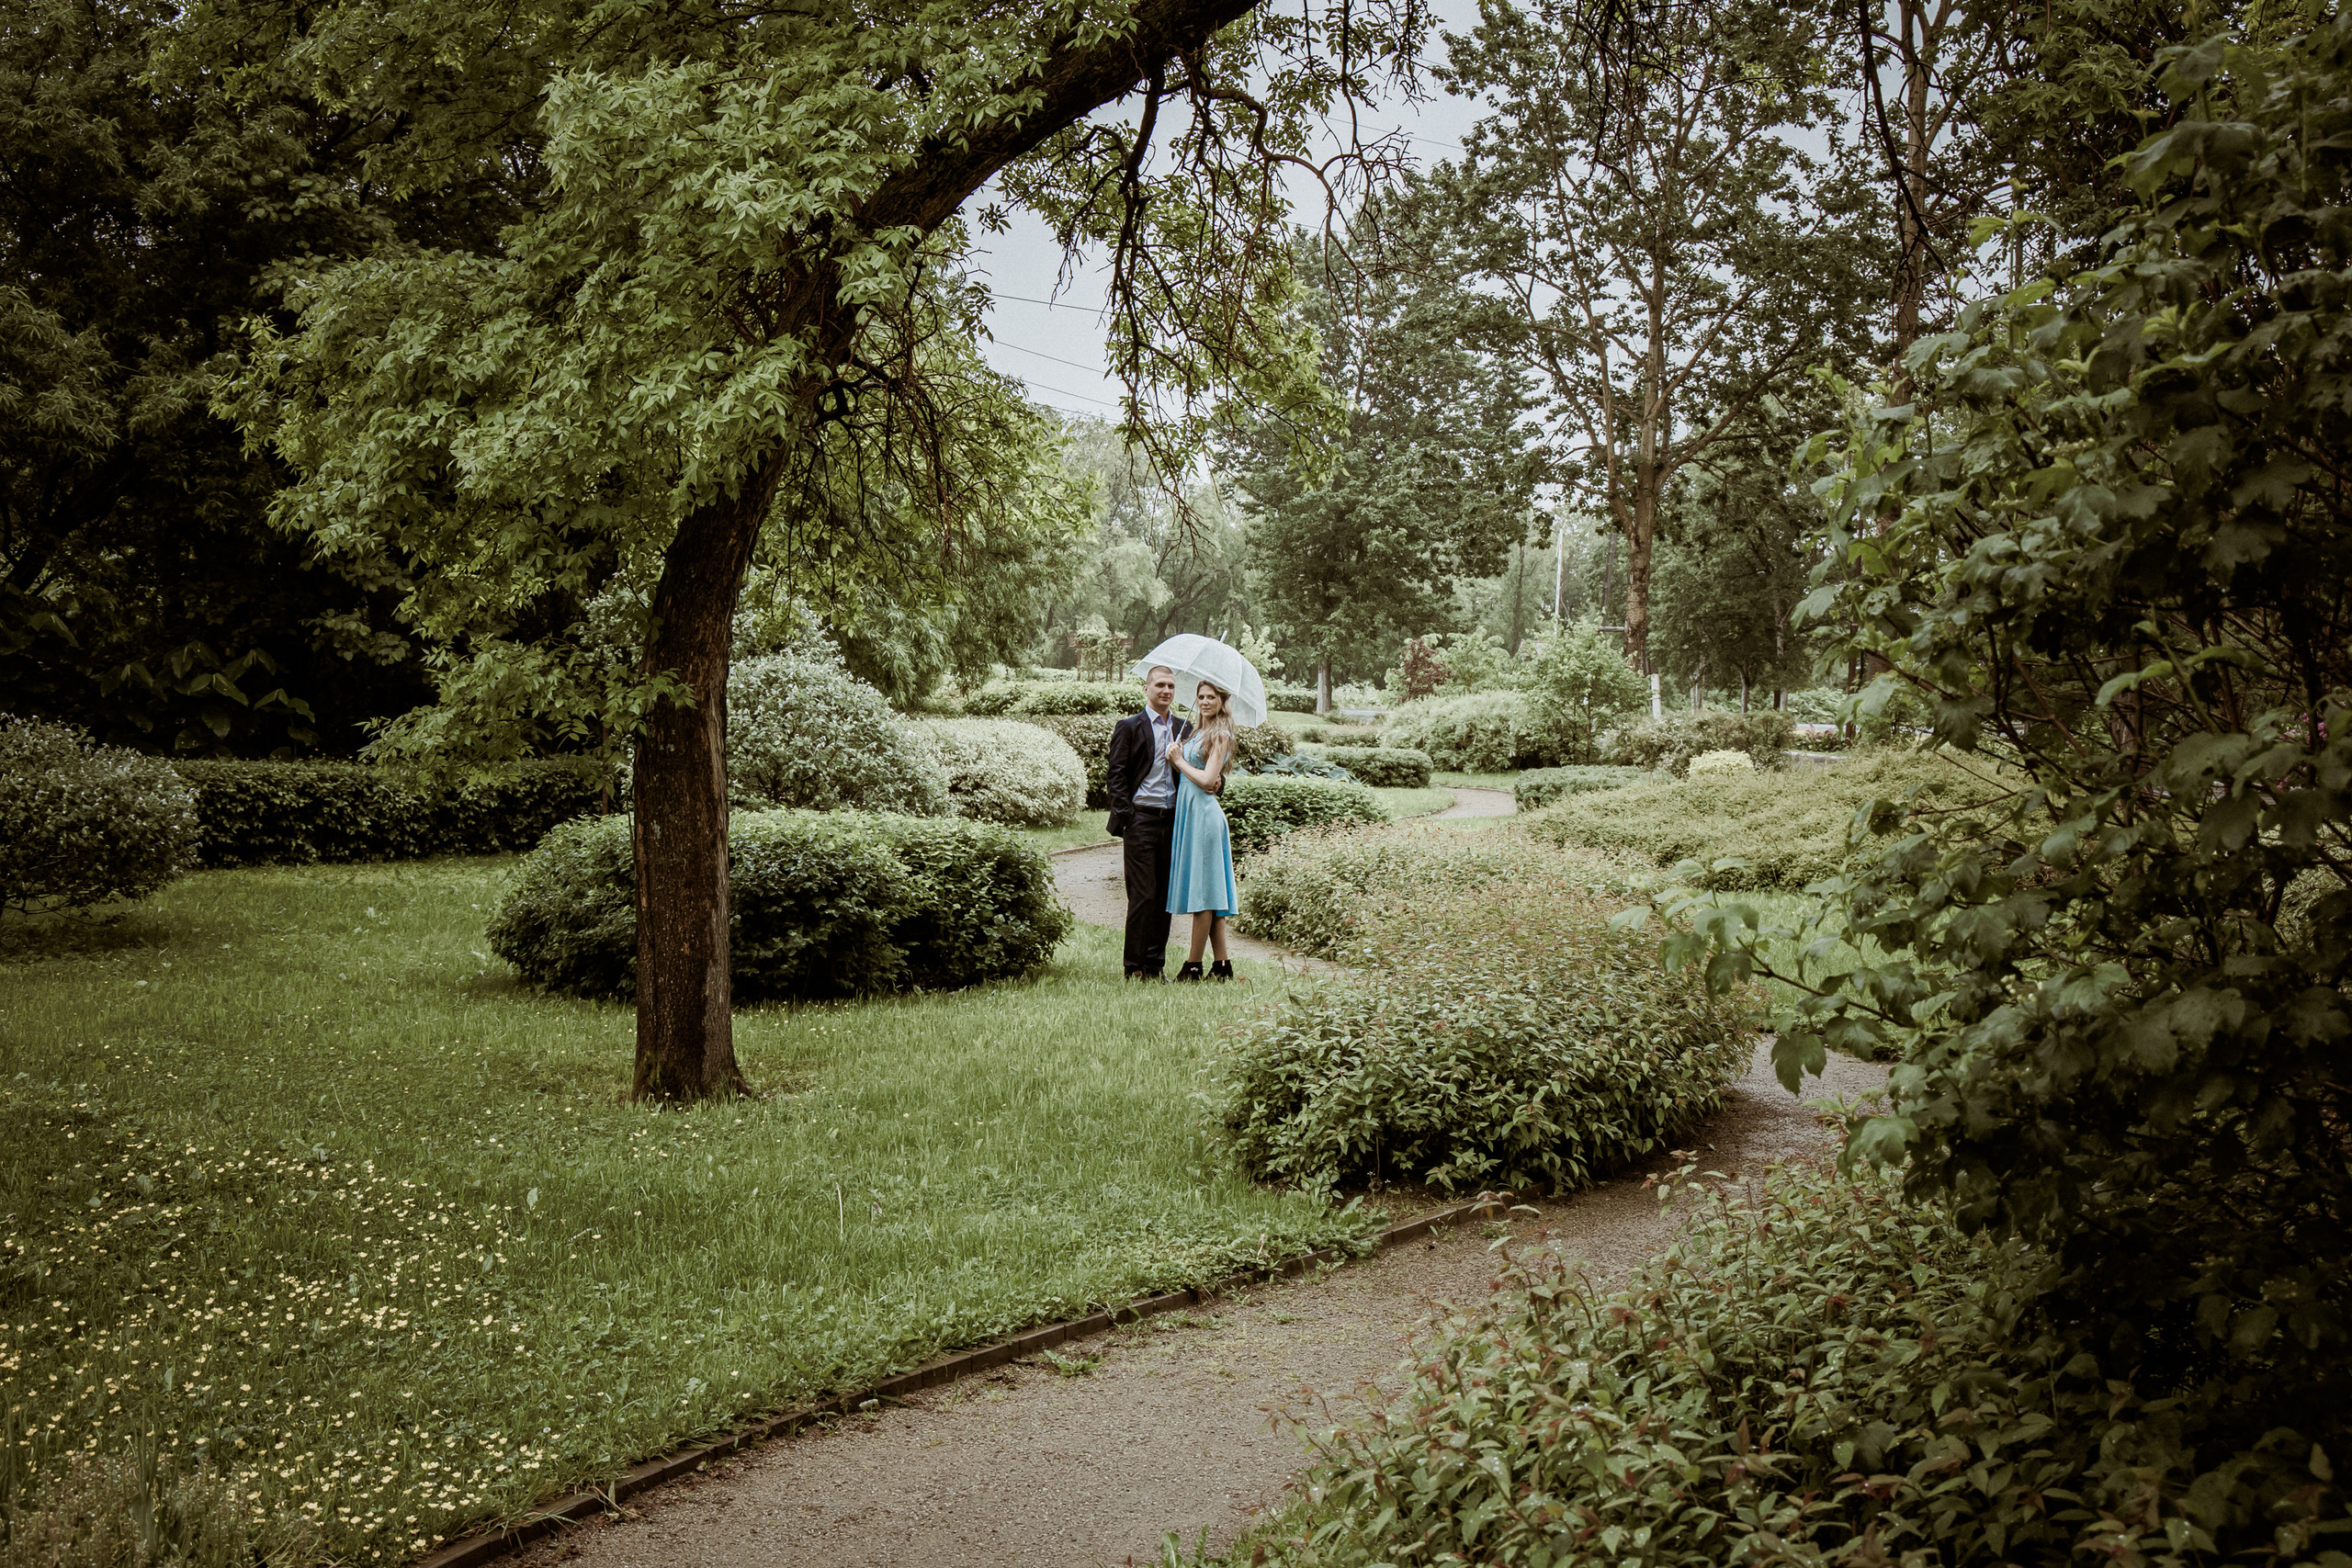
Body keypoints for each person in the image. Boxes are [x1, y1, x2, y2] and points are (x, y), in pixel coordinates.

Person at [1103, 665, 1192, 980]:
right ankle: (1134, 967)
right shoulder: (1130, 727)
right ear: (1147, 689)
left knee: (1165, 896)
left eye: (1170, 686)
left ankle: (1155, 966)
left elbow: (1196, 774)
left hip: (1173, 822)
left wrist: (1178, 761)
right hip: (1140, 819)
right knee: (1143, 895)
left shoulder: (1185, 729)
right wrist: (1127, 816)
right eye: (1160, 685)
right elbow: (1116, 775)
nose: (1166, 691)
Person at [1164, 679, 1239, 982]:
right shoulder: (1198, 732)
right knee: (1210, 893)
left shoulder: (1220, 734)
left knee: (1204, 896)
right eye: (1201, 696)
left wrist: (1179, 760)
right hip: (1192, 815)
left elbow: (1210, 780)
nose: (1205, 701)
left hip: (1206, 818)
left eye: (1211, 697)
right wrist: (1179, 751)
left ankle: (1192, 966)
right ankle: (1222, 966)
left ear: (1222, 702)